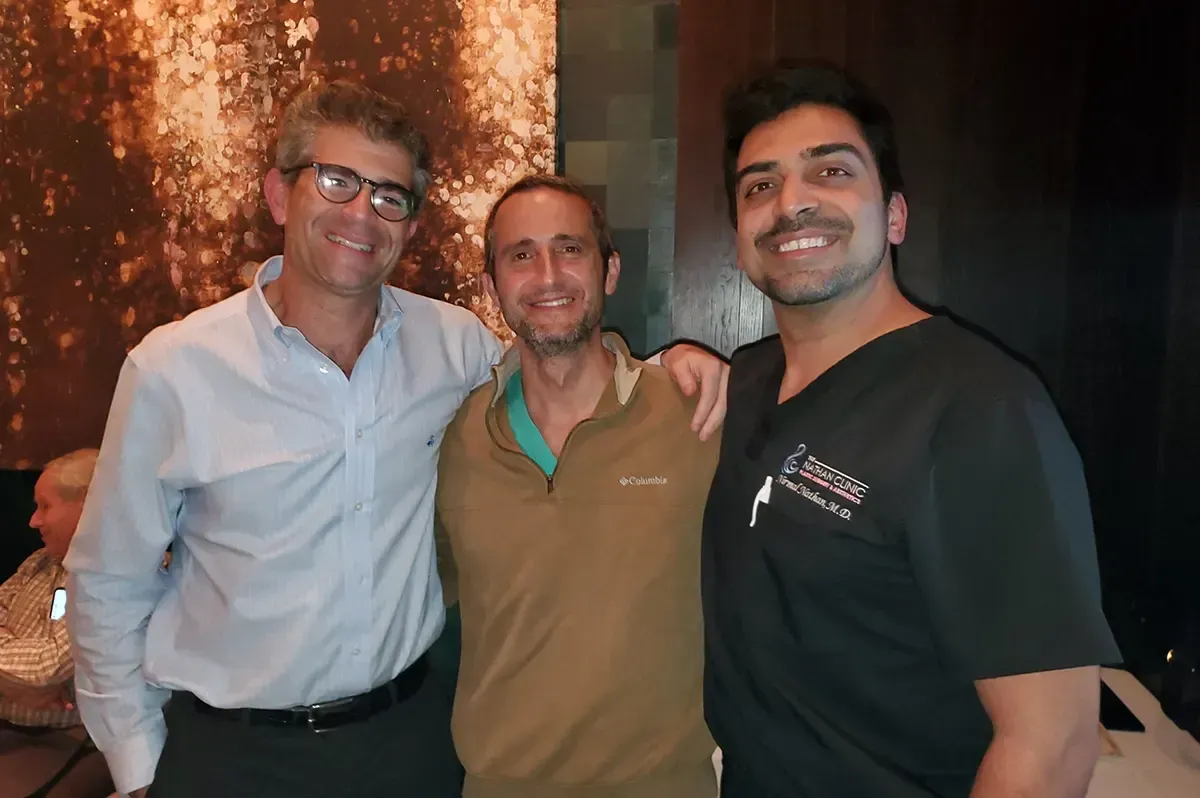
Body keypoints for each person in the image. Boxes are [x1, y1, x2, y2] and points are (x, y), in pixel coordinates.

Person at [64, 80, 727, 798]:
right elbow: (108, 582)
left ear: (409, 225)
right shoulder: (174, 369)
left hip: (405, 744)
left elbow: (559, 359)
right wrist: (136, 765)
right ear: (280, 195)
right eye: (337, 180)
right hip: (231, 756)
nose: (362, 212)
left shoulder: (453, 346)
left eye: (389, 195)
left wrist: (661, 369)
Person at [701, 63, 1122, 798]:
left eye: (830, 171)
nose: (791, 203)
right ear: (739, 234)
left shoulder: (979, 407)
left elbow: (1051, 747)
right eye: (760, 185)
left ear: (895, 215)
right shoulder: (747, 380)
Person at [434, 175, 720, 798]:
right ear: (491, 287)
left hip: (667, 786)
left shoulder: (694, 414)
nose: (547, 275)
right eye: (520, 255)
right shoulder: (455, 439)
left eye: (570, 249)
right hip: (498, 786)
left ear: (609, 270)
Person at [1, 449, 98, 728]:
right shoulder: (43, 560)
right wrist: (8, 684)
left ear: (87, 505)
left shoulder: (111, 581)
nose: (33, 521)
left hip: (60, 739)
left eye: (44, 506)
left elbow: (47, 667)